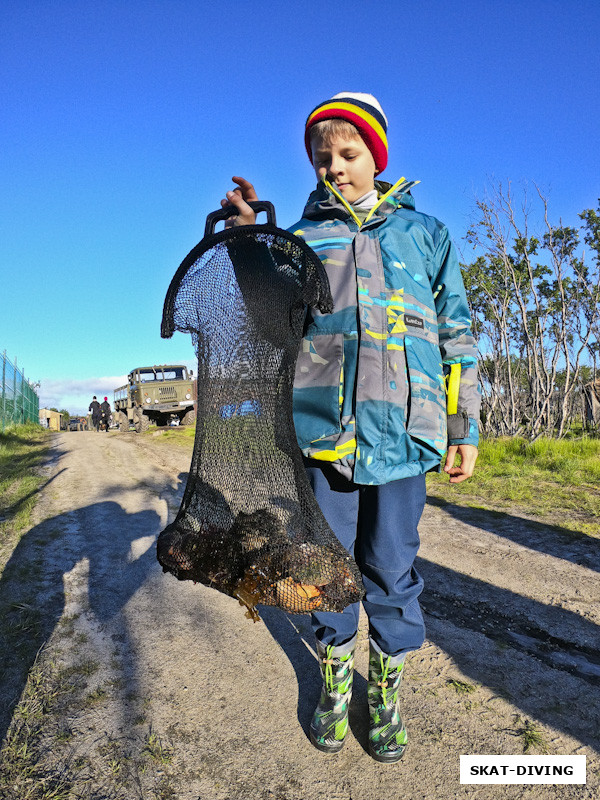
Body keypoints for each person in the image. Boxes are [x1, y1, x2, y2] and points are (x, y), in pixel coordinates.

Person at [220, 92, 480, 763]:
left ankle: (385, 690)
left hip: (404, 436)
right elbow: (271, 318)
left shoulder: (426, 236)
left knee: (392, 568)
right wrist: (250, 240)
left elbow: (456, 334)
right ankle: (336, 680)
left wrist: (464, 428)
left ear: (377, 156)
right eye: (321, 158)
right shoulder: (303, 240)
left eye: (348, 153)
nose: (334, 167)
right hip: (322, 432)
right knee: (325, 567)